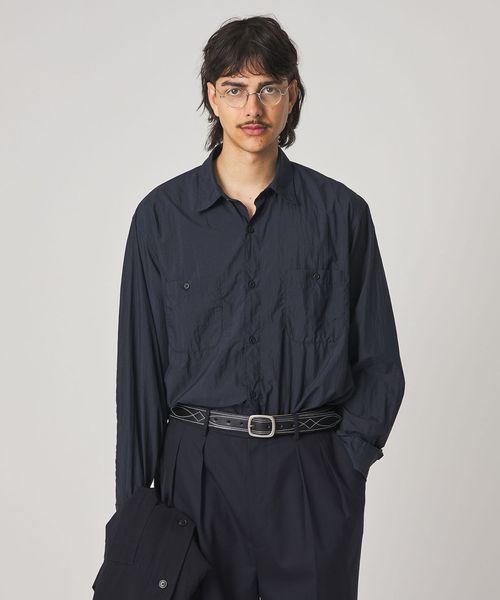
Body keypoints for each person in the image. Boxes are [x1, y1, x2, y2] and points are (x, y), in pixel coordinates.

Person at [114, 15, 405, 600]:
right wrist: (134, 518)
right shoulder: (161, 220)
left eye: (269, 87)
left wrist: (344, 467)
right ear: (211, 96)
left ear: (292, 95)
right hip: (195, 480)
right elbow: (138, 380)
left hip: (310, 477)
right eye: (235, 88)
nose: (253, 107)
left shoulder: (342, 215)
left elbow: (379, 363)